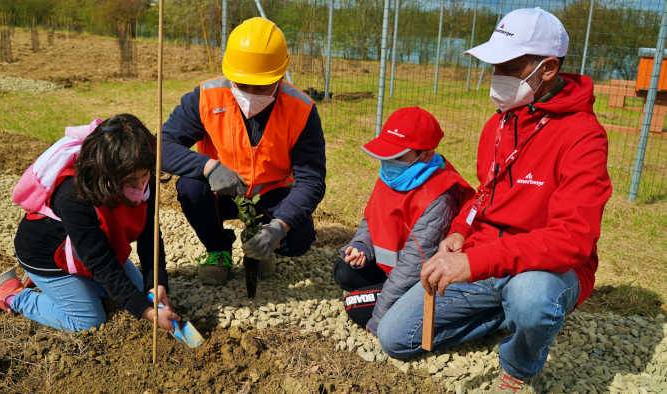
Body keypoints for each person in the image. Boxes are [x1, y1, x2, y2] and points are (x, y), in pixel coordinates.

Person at [376, 8, 612, 392]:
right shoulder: (499, 123)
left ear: (548, 68)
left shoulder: (584, 138)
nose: (496, 76)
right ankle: (507, 317)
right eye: (494, 65)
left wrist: (473, 261)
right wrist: (458, 233)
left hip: (546, 270)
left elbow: (572, 240)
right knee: (395, 338)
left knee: (532, 298)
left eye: (508, 66)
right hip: (489, 258)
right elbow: (486, 192)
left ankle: (519, 362)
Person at [161, 17, 326, 285]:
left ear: (280, 76)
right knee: (191, 188)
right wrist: (209, 167)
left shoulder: (301, 109)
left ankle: (260, 243)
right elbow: (163, 146)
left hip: (271, 197)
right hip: (220, 193)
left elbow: (312, 180)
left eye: (260, 86)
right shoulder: (205, 97)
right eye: (241, 83)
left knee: (299, 237)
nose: (250, 94)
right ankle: (218, 249)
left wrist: (279, 227)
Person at [0, 114, 178, 333]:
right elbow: (100, 261)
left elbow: (149, 234)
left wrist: (156, 282)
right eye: (131, 181)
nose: (141, 186)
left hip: (87, 247)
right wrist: (146, 312)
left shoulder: (140, 169)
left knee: (141, 292)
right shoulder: (73, 195)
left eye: (145, 176)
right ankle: (13, 295)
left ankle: (66, 288)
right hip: (47, 256)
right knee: (89, 319)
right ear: (107, 174)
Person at [333, 107, 473, 334]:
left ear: (425, 155)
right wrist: (362, 245)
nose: (388, 163)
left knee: (354, 306)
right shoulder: (395, 175)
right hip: (395, 269)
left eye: (397, 157)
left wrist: (379, 320)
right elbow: (373, 217)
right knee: (344, 271)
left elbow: (412, 266)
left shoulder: (439, 197)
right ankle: (384, 294)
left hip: (416, 277)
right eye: (385, 155)